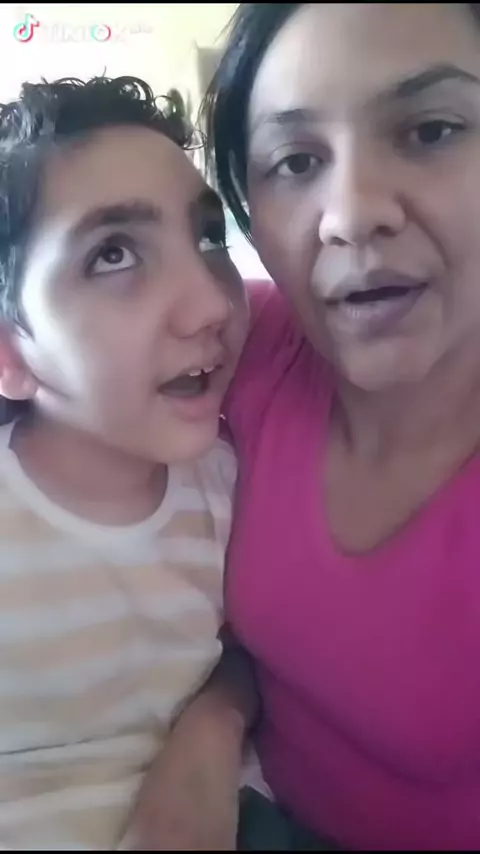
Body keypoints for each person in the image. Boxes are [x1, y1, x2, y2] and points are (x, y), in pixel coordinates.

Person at [144, 2, 480, 850]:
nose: (351, 214)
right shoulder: (247, 345)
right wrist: (217, 718)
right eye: (295, 161)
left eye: (432, 131)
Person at [0, 74, 256, 850]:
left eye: (208, 237)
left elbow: (256, 654)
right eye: (113, 254)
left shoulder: (228, 485)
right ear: (10, 353)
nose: (212, 303)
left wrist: (218, 720)